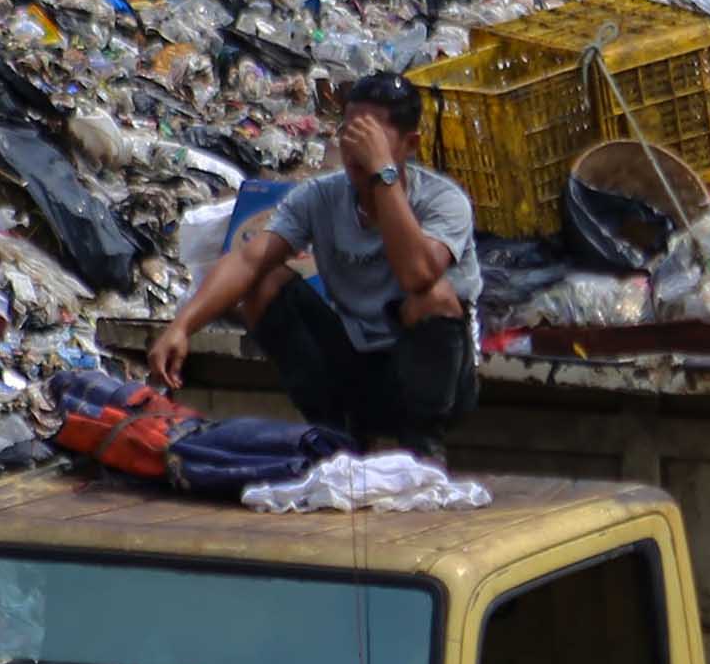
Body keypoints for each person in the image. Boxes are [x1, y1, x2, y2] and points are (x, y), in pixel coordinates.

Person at [147, 72, 482, 451]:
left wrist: (383, 175)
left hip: (434, 380)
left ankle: (423, 448)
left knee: (433, 296)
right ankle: (335, 437)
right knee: (264, 281)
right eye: (351, 133)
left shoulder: (442, 201)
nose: (357, 149)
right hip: (357, 362)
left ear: (409, 145)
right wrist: (181, 327)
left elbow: (417, 276)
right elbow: (248, 259)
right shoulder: (320, 197)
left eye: (371, 137)